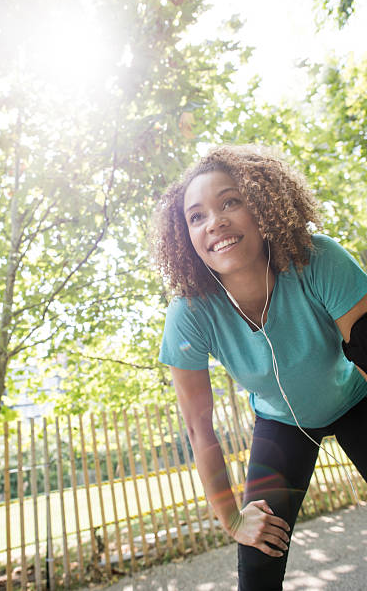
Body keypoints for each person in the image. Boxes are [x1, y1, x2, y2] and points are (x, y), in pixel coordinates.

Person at [152, 144, 367, 590]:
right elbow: (199, 427)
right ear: (186, 237)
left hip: (356, 399)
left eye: (230, 201)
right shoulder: (190, 313)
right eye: (197, 216)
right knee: (258, 560)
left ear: (264, 206)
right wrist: (232, 518)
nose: (215, 222)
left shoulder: (318, 259)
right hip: (282, 423)